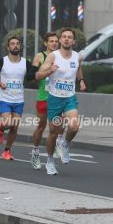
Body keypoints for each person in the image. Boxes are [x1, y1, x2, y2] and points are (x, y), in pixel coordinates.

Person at [36, 28, 86, 175]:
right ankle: (50, 161)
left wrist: (81, 80)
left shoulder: (78, 57)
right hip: (54, 98)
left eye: (69, 37)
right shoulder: (53, 56)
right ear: (60, 40)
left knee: (74, 127)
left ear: (73, 41)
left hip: (69, 97)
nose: (66, 39)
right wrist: (49, 71)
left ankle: (64, 143)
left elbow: (78, 69)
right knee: (53, 131)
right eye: (64, 37)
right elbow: (38, 75)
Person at [0, 36, 35, 160]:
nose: (15, 46)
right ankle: (1, 128)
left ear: (20, 46)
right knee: (8, 123)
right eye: (12, 44)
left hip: (19, 100)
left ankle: (7, 150)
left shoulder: (25, 62)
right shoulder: (2, 61)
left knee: (14, 127)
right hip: (5, 99)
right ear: (8, 47)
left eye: (17, 44)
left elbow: (33, 76)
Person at [30, 32, 64, 170]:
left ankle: (57, 144)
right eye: (51, 41)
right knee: (41, 127)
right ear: (46, 43)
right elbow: (32, 76)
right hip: (44, 97)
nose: (54, 43)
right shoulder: (40, 56)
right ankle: (35, 151)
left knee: (57, 127)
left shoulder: (62, 57)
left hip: (58, 96)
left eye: (56, 41)